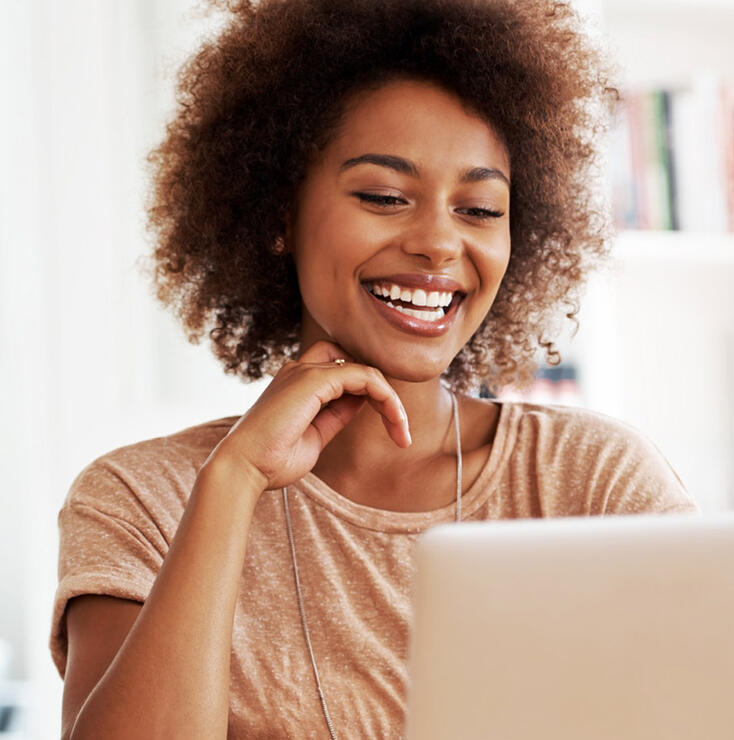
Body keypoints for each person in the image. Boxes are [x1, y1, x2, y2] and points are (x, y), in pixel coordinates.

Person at [50, 0, 699, 737]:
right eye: (385, 197)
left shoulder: (591, 484)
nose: (437, 243)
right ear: (278, 215)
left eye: (480, 209)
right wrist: (233, 484)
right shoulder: (142, 501)